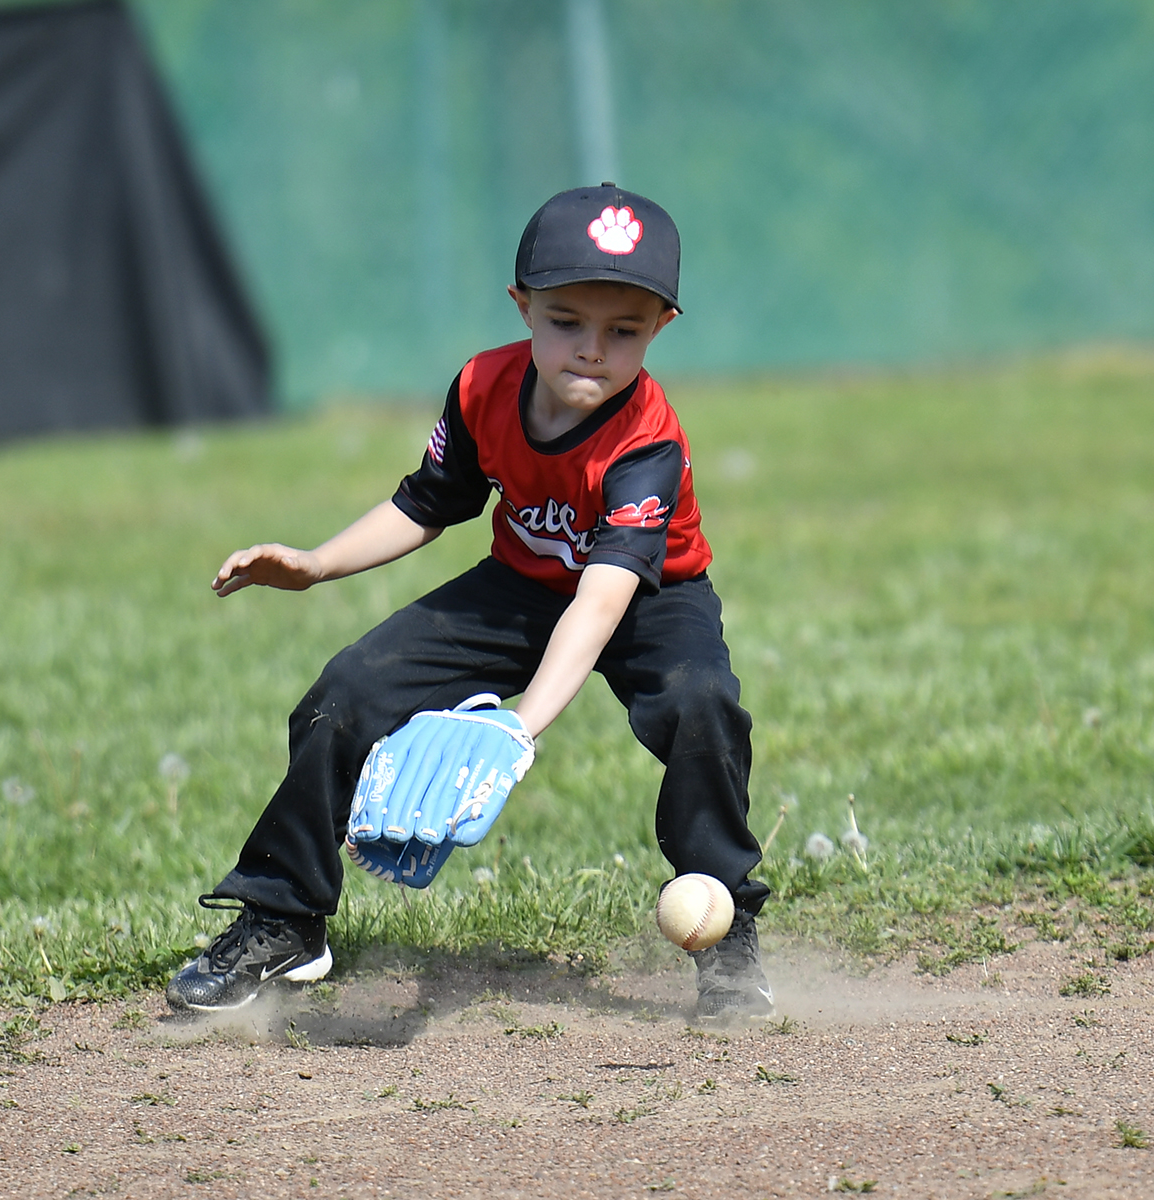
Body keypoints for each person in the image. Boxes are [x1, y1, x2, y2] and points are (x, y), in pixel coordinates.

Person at [166, 184, 774, 1020]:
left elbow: (600, 606)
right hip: (521, 583)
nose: (591, 349)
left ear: (660, 329)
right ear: (523, 307)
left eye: (623, 330)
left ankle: (728, 924)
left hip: (648, 599)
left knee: (699, 703)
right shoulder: (483, 386)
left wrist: (520, 727)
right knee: (345, 694)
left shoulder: (647, 442)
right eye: (566, 320)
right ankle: (283, 915)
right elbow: (425, 503)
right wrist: (314, 563)